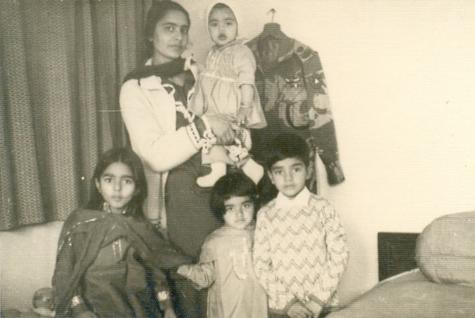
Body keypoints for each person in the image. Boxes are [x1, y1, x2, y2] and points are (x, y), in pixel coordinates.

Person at [120, 1, 236, 317]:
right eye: (168, 28)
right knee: (194, 290)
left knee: (231, 285)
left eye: (183, 30)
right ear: (150, 35)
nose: (178, 37)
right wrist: (206, 125)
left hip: (221, 187)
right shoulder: (136, 87)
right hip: (180, 199)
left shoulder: (201, 73)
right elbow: (155, 155)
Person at [52, 148, 191, 318]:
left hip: (138, 309)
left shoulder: (141, 228)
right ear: (98, 184)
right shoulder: (81, 224)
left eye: (126, 181)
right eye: (109, 180)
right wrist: (81, 310)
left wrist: (167, 307)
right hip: (95, 311)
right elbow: (65, 275)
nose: (117, 188)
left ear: (137, 188)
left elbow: (156, 274)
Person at [253, 133, 349, 318]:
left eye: (295, 169)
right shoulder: (265, 215)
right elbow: (261, 265)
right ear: (271, 176)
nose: (288, 178)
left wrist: (316, 301)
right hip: (283, 309)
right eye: (279, 172)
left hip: (323, 306)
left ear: (309, 170)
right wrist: (289, 304)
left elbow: (340, 256)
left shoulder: (324, 208)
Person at [190, 1, 267, 188]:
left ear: (238, 26)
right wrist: (196, 68)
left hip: (232, 108)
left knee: (232, 138)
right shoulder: (213, 52)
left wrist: (244, 108)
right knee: (212, 136)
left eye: (228, 23)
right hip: (215, 110)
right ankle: (220, 170)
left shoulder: (241, 51)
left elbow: (246, 81)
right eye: (214, 24)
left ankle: (249, 167)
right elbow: (211, 76)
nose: (221, 29)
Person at [176, 172, 267, 318]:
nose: (239, 214)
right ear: (220, 209)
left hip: (258, 307)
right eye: (230, 208)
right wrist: (182, 268)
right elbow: (205, 278)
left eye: (246, 205)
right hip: (227, 309)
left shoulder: (263, 232)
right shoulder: (214, 241)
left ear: (255, 204)